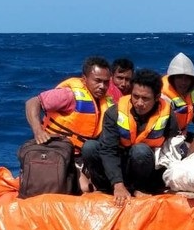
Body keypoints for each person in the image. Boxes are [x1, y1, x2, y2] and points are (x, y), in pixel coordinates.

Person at [82, 69, 179, 206]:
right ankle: (105, 189)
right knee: (90, 147)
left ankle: (139, 189)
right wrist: (118, 184)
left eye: (145, 99)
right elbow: (108, 150)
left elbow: (173, 148)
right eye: (135, 96)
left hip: (148, 169)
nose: (139, 103)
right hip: (119, 165)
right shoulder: (114, 113)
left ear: (157, 97)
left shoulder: (168, 115)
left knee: (140, 150)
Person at [25, 56, 113, 193]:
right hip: (57, 152)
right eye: (97, 81)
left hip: (82, 156)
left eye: (106, 82)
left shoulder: (106, 103)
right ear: (84, 79)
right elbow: (32, 102)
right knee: (85, 188)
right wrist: (38, 131)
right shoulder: (69, 95)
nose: (102, 86)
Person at [160, 52, 194, 138]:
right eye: (179, 77)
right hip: (163, 138)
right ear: (172, 79)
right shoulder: (162, 96)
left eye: (187, 78)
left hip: (181, 135)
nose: (183, 82)